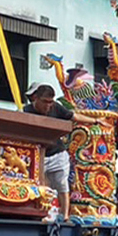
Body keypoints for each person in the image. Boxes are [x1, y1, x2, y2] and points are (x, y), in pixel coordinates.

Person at [27, 84, 74, 217]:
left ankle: (64, 215)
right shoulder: (27, 111)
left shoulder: (56, 108)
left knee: (62, 185)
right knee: (41, 185)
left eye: (50, 102)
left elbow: (72, 116)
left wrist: (95, 120)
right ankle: (41, 213)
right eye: (45, 102)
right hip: (38, 154)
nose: (48, 106)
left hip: (57, 153)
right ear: (36, 98)